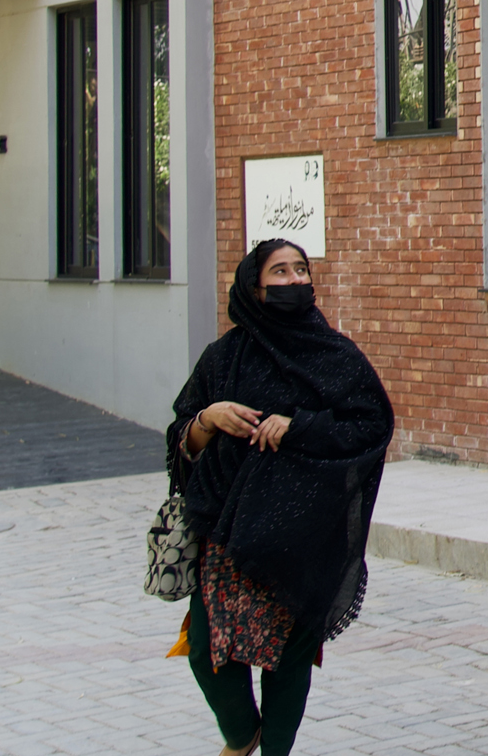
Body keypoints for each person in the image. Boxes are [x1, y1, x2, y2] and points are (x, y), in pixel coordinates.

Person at [168, 239, 394, 756]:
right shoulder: (222, 358)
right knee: (208, 653)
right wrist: (209, 418)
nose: (295, 281)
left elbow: (371, 425)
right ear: (254, 287)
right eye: (280, 271)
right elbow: (181, 438)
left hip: (302, 532)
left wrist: (299, 428)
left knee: (287, 662)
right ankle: (242, 737)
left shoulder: (335, 356)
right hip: (228, 532)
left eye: (301, 270)